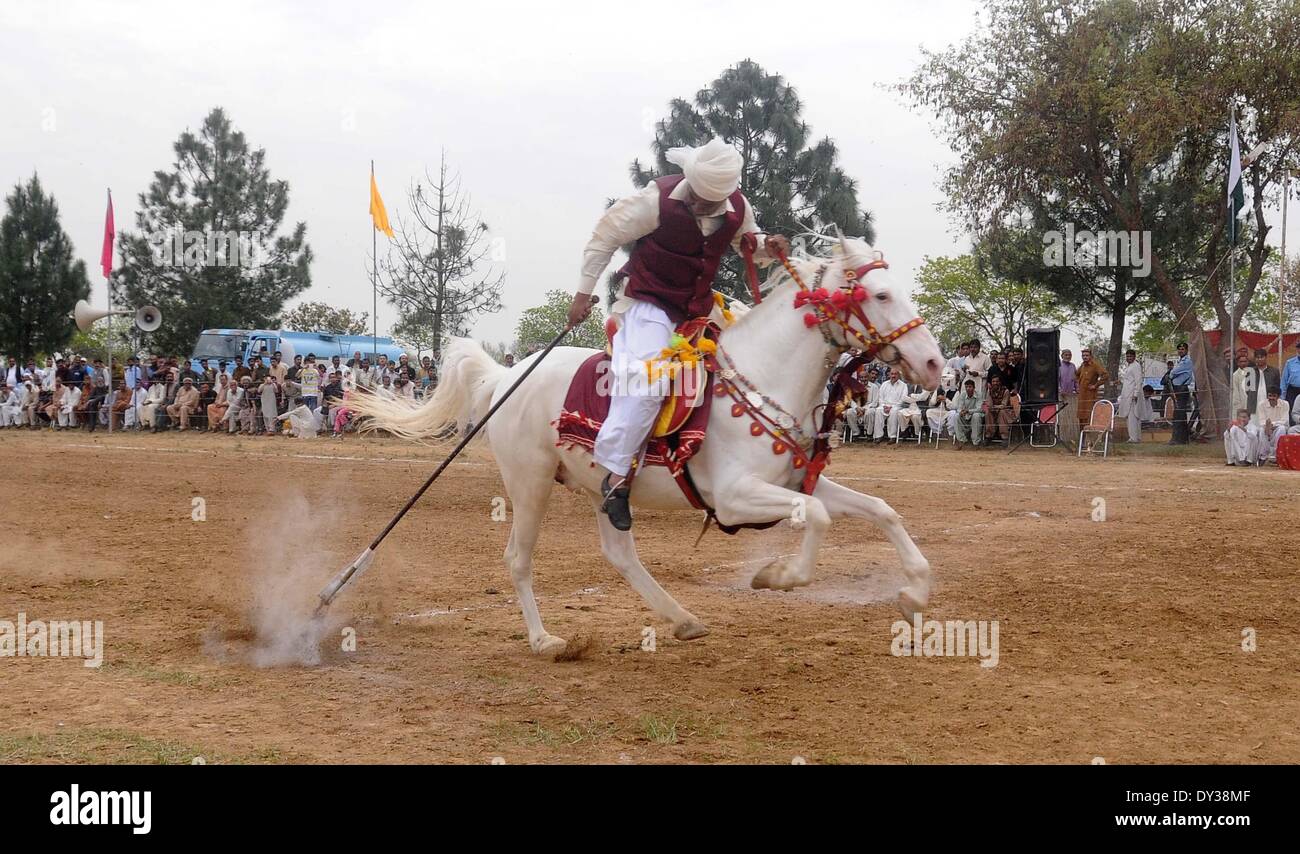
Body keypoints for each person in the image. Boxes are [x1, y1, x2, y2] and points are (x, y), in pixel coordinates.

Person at [567, 137, 787, 531]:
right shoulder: (654, 200)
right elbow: (603, 239)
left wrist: (769, 246)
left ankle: (745, 468)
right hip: (649, 306)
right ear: (691, 181)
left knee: (757, 358)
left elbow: (747, 245)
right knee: (648, 383)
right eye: (701, 200)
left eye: (714, 203)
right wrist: (582, 295)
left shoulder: (737, 206)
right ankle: (616, 478)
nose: (706, 208)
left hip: (700, 306)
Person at [1117, 349, 1147, 443]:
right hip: (1127, 394)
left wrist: (1135, 394)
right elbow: (1129, 380)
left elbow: (1138, 381)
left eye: (1131, 356)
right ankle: (1135, 437)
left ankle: (1134, 438)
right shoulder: (1129, 366)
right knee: (1130, 416)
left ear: (1134, 357)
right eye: (1127, 356)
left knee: (1133, 416)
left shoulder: (1136, 366)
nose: (1129, 358)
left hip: (1133, 395)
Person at [1255, 388, 1291, 464]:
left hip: (1278, 427)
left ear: (1278, 397)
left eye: (1274, 396)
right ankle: (1262, 457)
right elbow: (1261, 421)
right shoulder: (1261, 404)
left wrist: (1272, 425)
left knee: (1282, 429)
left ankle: (1276, 456)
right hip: (1266, 427)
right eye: (1269, 396)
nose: (1271, 398)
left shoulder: (1285, 404)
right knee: (1261, 431)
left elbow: (1285, 420)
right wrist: (1267, 426)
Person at [1169, 341, 1193, 445]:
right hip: (1177, 388)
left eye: (1183, 349)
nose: (1180, 351)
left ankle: (1178, 439)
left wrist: (1171, 374)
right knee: (1179, 414)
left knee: (1179, 414)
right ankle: (1181, 439)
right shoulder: (1180, 360)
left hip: (1182, 388)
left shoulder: (1187, 361)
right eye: (1179, 349)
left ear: (1187, 350)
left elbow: (1173, 372)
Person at [1076, 348, 1109, 423]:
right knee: (1081, 415)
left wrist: (1095, 385)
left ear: (1091, 356)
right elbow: (1076, 375)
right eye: (1083, 355)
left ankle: (1090, 433)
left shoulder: (1095, 365)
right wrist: (1079, 384)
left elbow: (1105, 375)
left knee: (1089, 414)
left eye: (1087, 355)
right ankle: (1082, 434)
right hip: (1081, 395)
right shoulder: (1083, 365)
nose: (1085, 357)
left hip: (1090, 395)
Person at [953, 379, 984, 448]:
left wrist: (968, 411)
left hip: (975, 417)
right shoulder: (963, 394)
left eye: (970, 387)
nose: (968, 388)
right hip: (966, 416)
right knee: (956, 416)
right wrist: (961, 412)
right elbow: (959, 407)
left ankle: (976, 443)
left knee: (976, 415)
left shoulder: (979, 394)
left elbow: (980, 409)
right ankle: (962, 440)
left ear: (974, 387)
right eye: (966, 387)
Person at [1058, 349, 1080, 444]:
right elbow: (1056, 380)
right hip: (1061, 395)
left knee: (1072, 416)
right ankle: (1062, 437)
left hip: (1071, 396)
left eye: (1069, 355)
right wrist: (1060, 390)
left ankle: (1072, 436)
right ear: (1062, 356)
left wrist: (1077, 389)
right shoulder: (1059, 366)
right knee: (1062, 416)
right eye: (1066, 355)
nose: (1068, 356)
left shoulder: (1073, 366)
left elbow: (1075, 380)